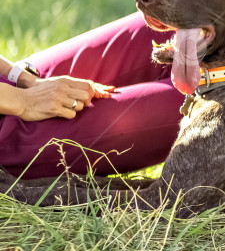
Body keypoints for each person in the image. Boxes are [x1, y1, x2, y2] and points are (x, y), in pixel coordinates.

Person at [0, 13, 184, 179]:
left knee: (176, 23)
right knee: (195, 100)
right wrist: (23, 101)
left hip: (10, 83)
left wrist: (20, 77)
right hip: (7, 132)